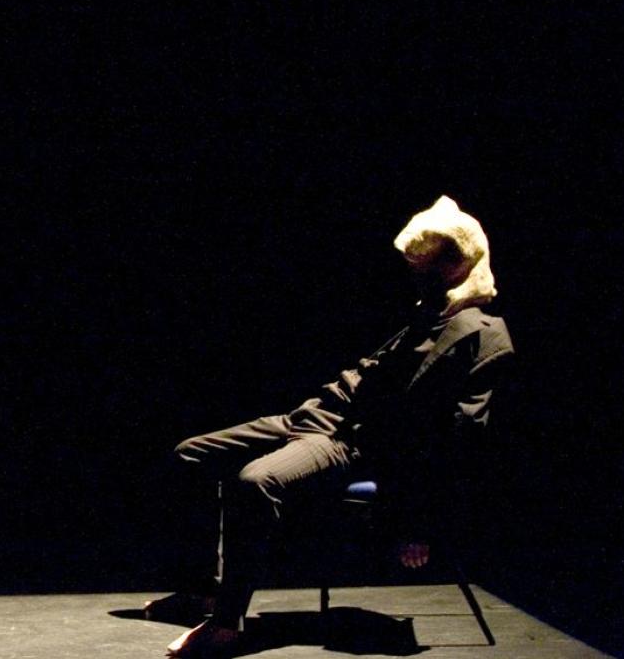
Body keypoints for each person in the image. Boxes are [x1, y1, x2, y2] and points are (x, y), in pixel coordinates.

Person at [158, 196, 515, 657]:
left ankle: (226, 623)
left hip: (353, 440)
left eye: (430, 260)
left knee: (254, 481)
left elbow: (459, 440)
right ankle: (206, 590)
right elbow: (372, 370)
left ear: (457, 262)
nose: (417, 270)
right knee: (190, 454)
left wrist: (418, 521)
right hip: (320, 414)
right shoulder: (427, 310)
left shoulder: (486, 335)